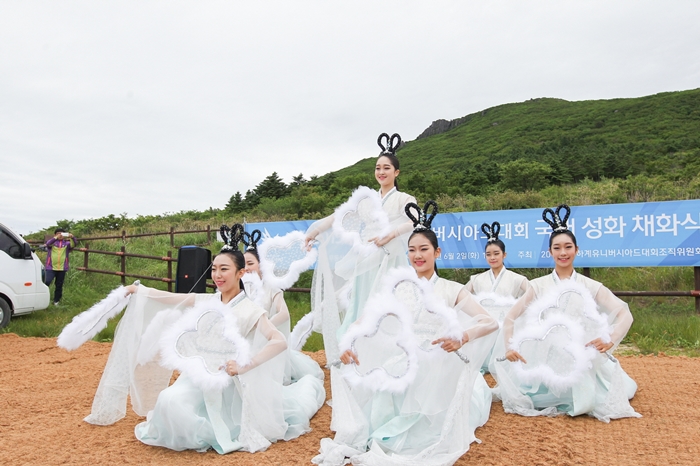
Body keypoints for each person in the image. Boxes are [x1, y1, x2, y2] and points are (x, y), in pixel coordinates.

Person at [83, 224, 325, 454]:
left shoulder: (251, 309)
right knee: (168, 402)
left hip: (229, 381)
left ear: (241, 273)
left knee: (190, 413)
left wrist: (246, 364)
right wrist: (140, 290)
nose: (217, 275)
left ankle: (216, 429)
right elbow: (172, 297)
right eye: (214, 269)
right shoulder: (208, 300)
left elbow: (279, 341)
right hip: (198, 374)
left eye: (224, 269)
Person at [313, 202, 498, 466]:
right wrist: (349, 342)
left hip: (439, 362)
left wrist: (463, 336)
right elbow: (364, 321)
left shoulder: (450, 289)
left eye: (424, 249)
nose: (417, 255)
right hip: (404, 360)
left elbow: (488, 321)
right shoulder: (398, 288)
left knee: (429, 424)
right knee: (382, 400)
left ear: (437, 252)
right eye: (412, 250)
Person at [493, 205, 641, 422]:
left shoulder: (589, 285)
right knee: (531, 396)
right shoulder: (538, 286)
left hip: (580, 354)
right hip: (545, 355)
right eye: (557, 248)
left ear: (576, 249)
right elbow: (510, 317)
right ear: (550, 252)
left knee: (615, 391)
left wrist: (610, 339)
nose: (563, 253)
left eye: (568, 247)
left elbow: (623, 312)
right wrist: (509, 347)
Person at [304, 133, 417, 363]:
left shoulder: (404, 198)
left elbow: (415, 220)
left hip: (389, 260)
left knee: (385, 303)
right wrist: (315, 230)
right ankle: (357, 353)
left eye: (386, 168)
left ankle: (388, 356)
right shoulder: (367, 199)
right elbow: (340, 215)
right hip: (365, 260)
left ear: (397, 172)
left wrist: (391, 233)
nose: (381, 172)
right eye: (378, 168)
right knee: (361, 302)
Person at [242, 230, 324, 383]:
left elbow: (284, 313)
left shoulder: (271, 287)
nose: (246, 268)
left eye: (250, 263)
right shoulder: (243, 288)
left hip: (266, 339)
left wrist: (264, 329)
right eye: (243, 264)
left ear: (261, 265)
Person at [465, 221, 528, 372]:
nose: (492, 257)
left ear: (504, 255)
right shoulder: (476, 279)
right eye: (488, 254)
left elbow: (533, 295)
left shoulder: (517, 279)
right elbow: (461, 297)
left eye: (496, 253)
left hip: (505, 329)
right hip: (485, 327)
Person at [44, 228, 77, 305]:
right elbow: (48, 244)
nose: (60, 235)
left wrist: (72, 237)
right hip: (50, 267)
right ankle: (43, 300)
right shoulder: (52, 243)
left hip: (62, 268)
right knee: (47, 282)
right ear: (55, 235)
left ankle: (56, 301)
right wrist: (55, 238)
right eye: (58, 233)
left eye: (62, 234)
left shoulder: (67, 244)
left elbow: (74, 244)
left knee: (59, 285)